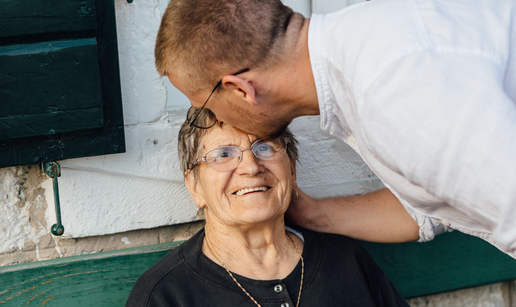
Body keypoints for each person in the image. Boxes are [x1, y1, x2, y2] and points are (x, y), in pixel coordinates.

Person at [154, 0, 516, 257]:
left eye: (204, 105)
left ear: (240, 90)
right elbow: (437, 204)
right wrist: (308, 213)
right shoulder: (361, 47)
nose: (216, 119)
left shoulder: (390, 89)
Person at [125, 109, 409, 306]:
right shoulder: (165, 296)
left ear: (292, 169)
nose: (250, 166)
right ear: (195, 186)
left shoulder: (347, 261)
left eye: (265, 147)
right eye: (224, 154)